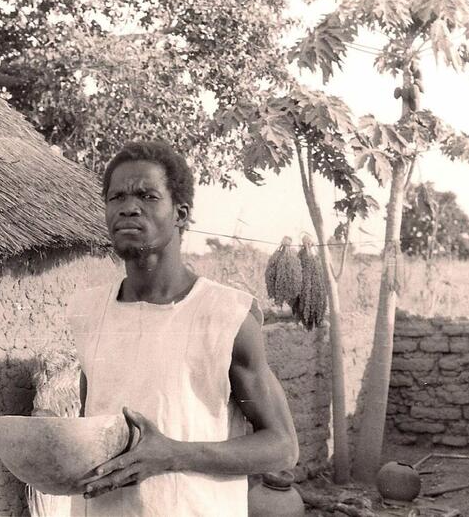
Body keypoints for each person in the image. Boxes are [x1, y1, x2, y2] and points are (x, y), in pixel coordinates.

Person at [66, 140, 299, 516]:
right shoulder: (89, 313)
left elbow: (283, 445)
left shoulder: (225, 316)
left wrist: (172, 455)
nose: (128, 207)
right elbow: (92, 427)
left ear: (180, 213)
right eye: (116, 197)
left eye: (147, 195)